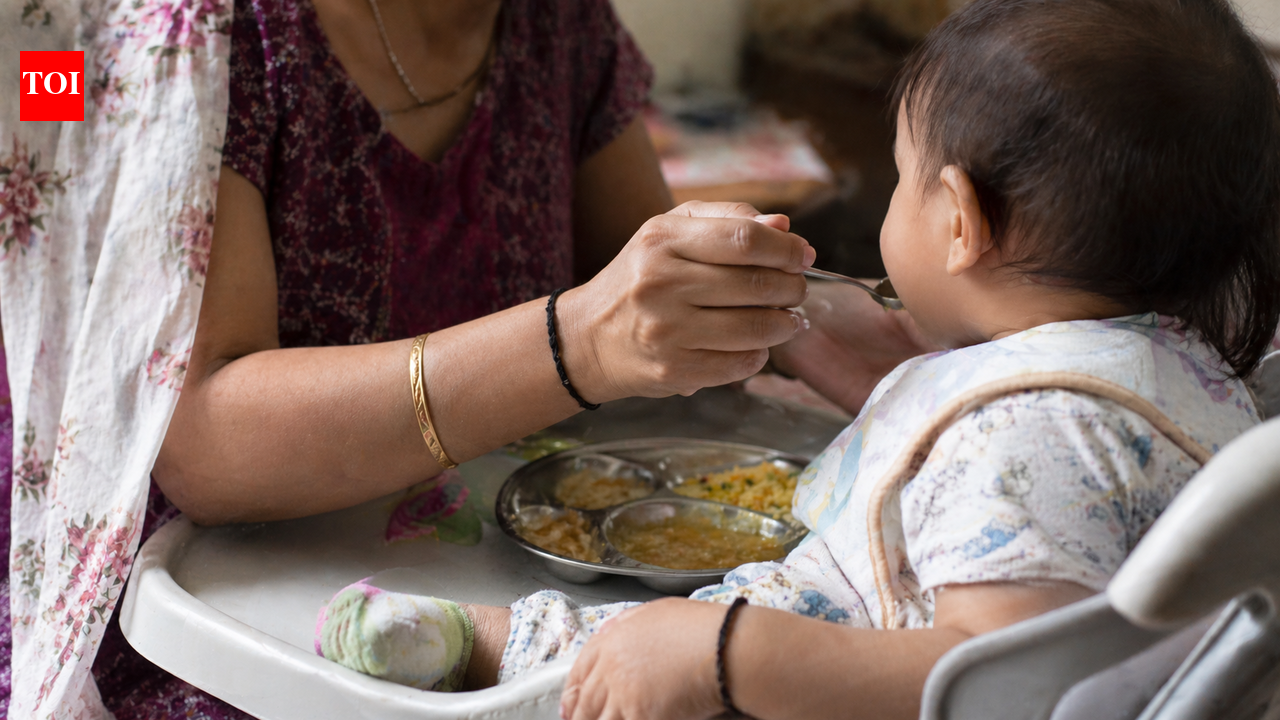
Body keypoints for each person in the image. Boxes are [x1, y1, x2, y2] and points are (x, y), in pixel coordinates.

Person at [308, 0, 1280, 718]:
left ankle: (483, 649)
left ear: (958, 220)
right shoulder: (1180, 375)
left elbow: (996, 677)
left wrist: (737, 655)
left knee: (646, 643)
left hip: (829, 671)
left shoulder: (1029, 432)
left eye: (902, 180)